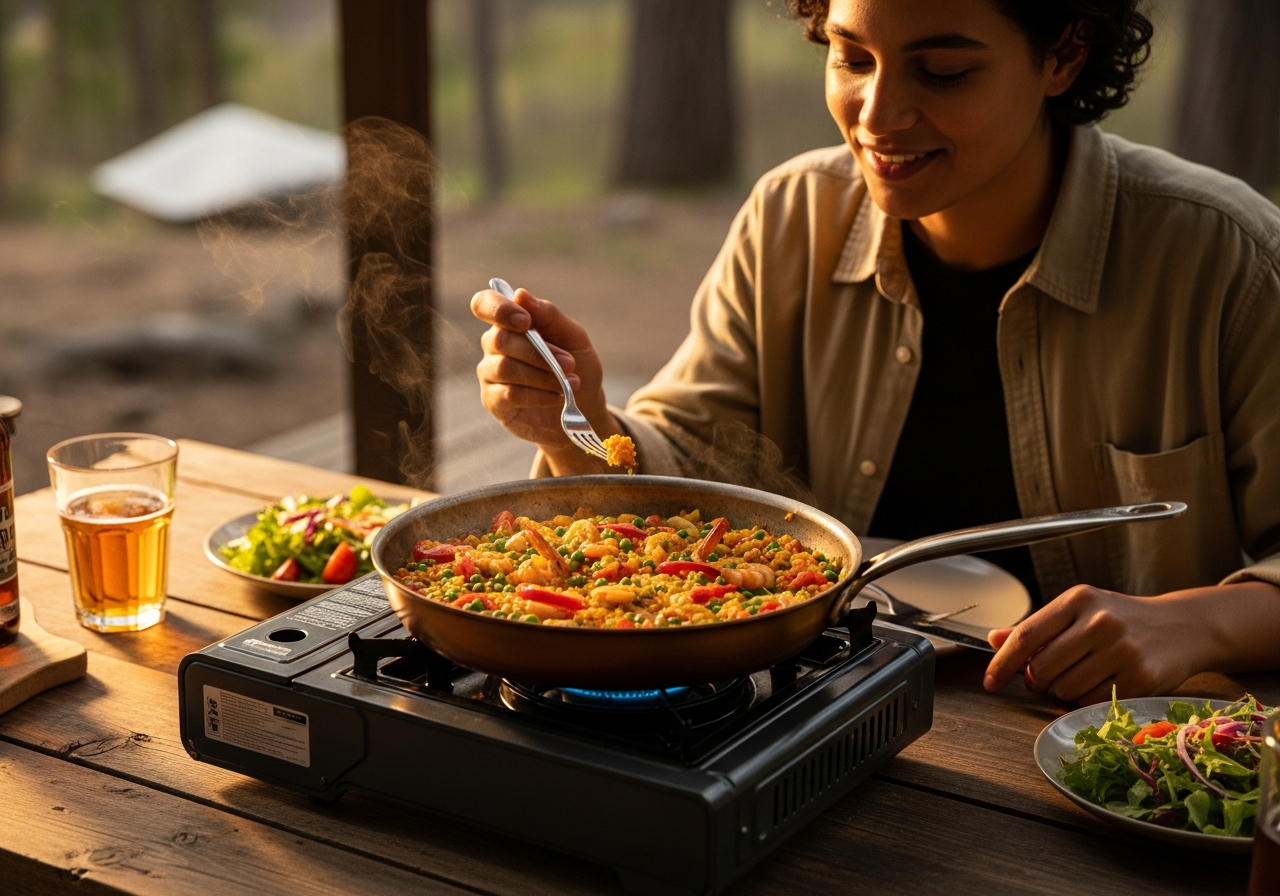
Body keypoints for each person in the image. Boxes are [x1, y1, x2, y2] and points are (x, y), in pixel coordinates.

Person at [470, 0, 1280, 705]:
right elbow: (689, 462)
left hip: (1099, 740)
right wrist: (575, 420)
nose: (878, 113)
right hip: (821, 700)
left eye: (943, 72)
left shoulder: (1223, 257)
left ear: (1063, 55)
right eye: (852, 57)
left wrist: (1198, 621)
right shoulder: (793, 216)